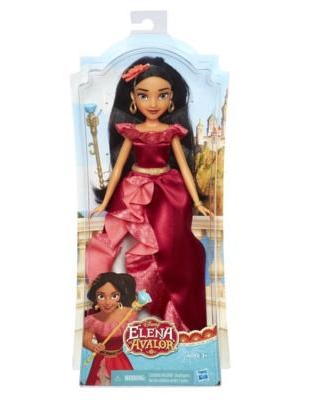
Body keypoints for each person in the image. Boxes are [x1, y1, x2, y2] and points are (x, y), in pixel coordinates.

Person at [86, 56, 212, 331]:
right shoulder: (132, 132)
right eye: (144, 95)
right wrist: (105, 202)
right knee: (128, 240)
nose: (153, 103)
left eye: (162, 95)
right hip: (135, 186)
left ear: (171, 99)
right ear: (133, 98)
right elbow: (118, 170)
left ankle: (172, 306)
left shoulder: (171, 132)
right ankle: (139, 303)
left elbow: (185, 168)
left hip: (169, 189)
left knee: (171, 244)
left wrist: (197, 201)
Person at [83, 272, 137, 386]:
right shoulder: (92, 320)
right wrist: (93, 346)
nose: (108, 302)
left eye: (114, 296)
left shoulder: (127, 314)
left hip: (119, 361)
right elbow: (86, 339)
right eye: (101, 296)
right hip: (100, 361)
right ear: (95, 297)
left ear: (120, 296)